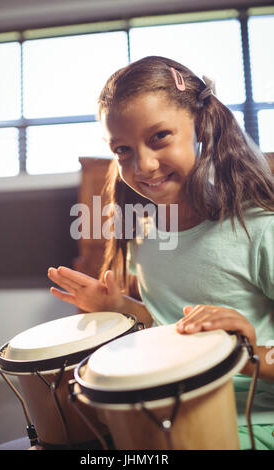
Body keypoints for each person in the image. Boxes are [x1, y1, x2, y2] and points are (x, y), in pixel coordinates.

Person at [48, 56, 274, 450]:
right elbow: (169, 324)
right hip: (162, 411)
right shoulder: (146, 231)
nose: (144, 165)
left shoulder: (259, 228)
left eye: (159, 138)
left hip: (251, 424)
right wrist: (122, 305)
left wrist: (254, 350)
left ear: (200, 127)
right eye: (123, 149)